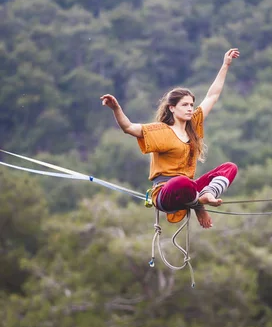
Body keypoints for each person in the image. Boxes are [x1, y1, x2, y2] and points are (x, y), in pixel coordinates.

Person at [100, 48, 240, 228]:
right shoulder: (160, 131)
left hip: (189, 190)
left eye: (191, 105)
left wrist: (225, 65)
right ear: (172, 108)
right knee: (181, 182)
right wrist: (116, 108)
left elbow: (212, 96)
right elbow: (128, 128)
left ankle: (207, 194)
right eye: (185, 105)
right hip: (166, 193)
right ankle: (199, 205)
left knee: (229, 168)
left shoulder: (194, 123)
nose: (190, 108)